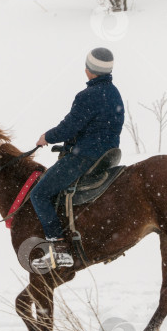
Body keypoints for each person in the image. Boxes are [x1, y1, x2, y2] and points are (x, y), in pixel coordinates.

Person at [30, 47, 125, 270]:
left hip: (85, 157)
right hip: (106, 155)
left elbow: (69, 126)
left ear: (89, 70)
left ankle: (59, 249)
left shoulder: (87, 96)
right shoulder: (114, 93)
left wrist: (47, 137)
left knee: (39, 193)